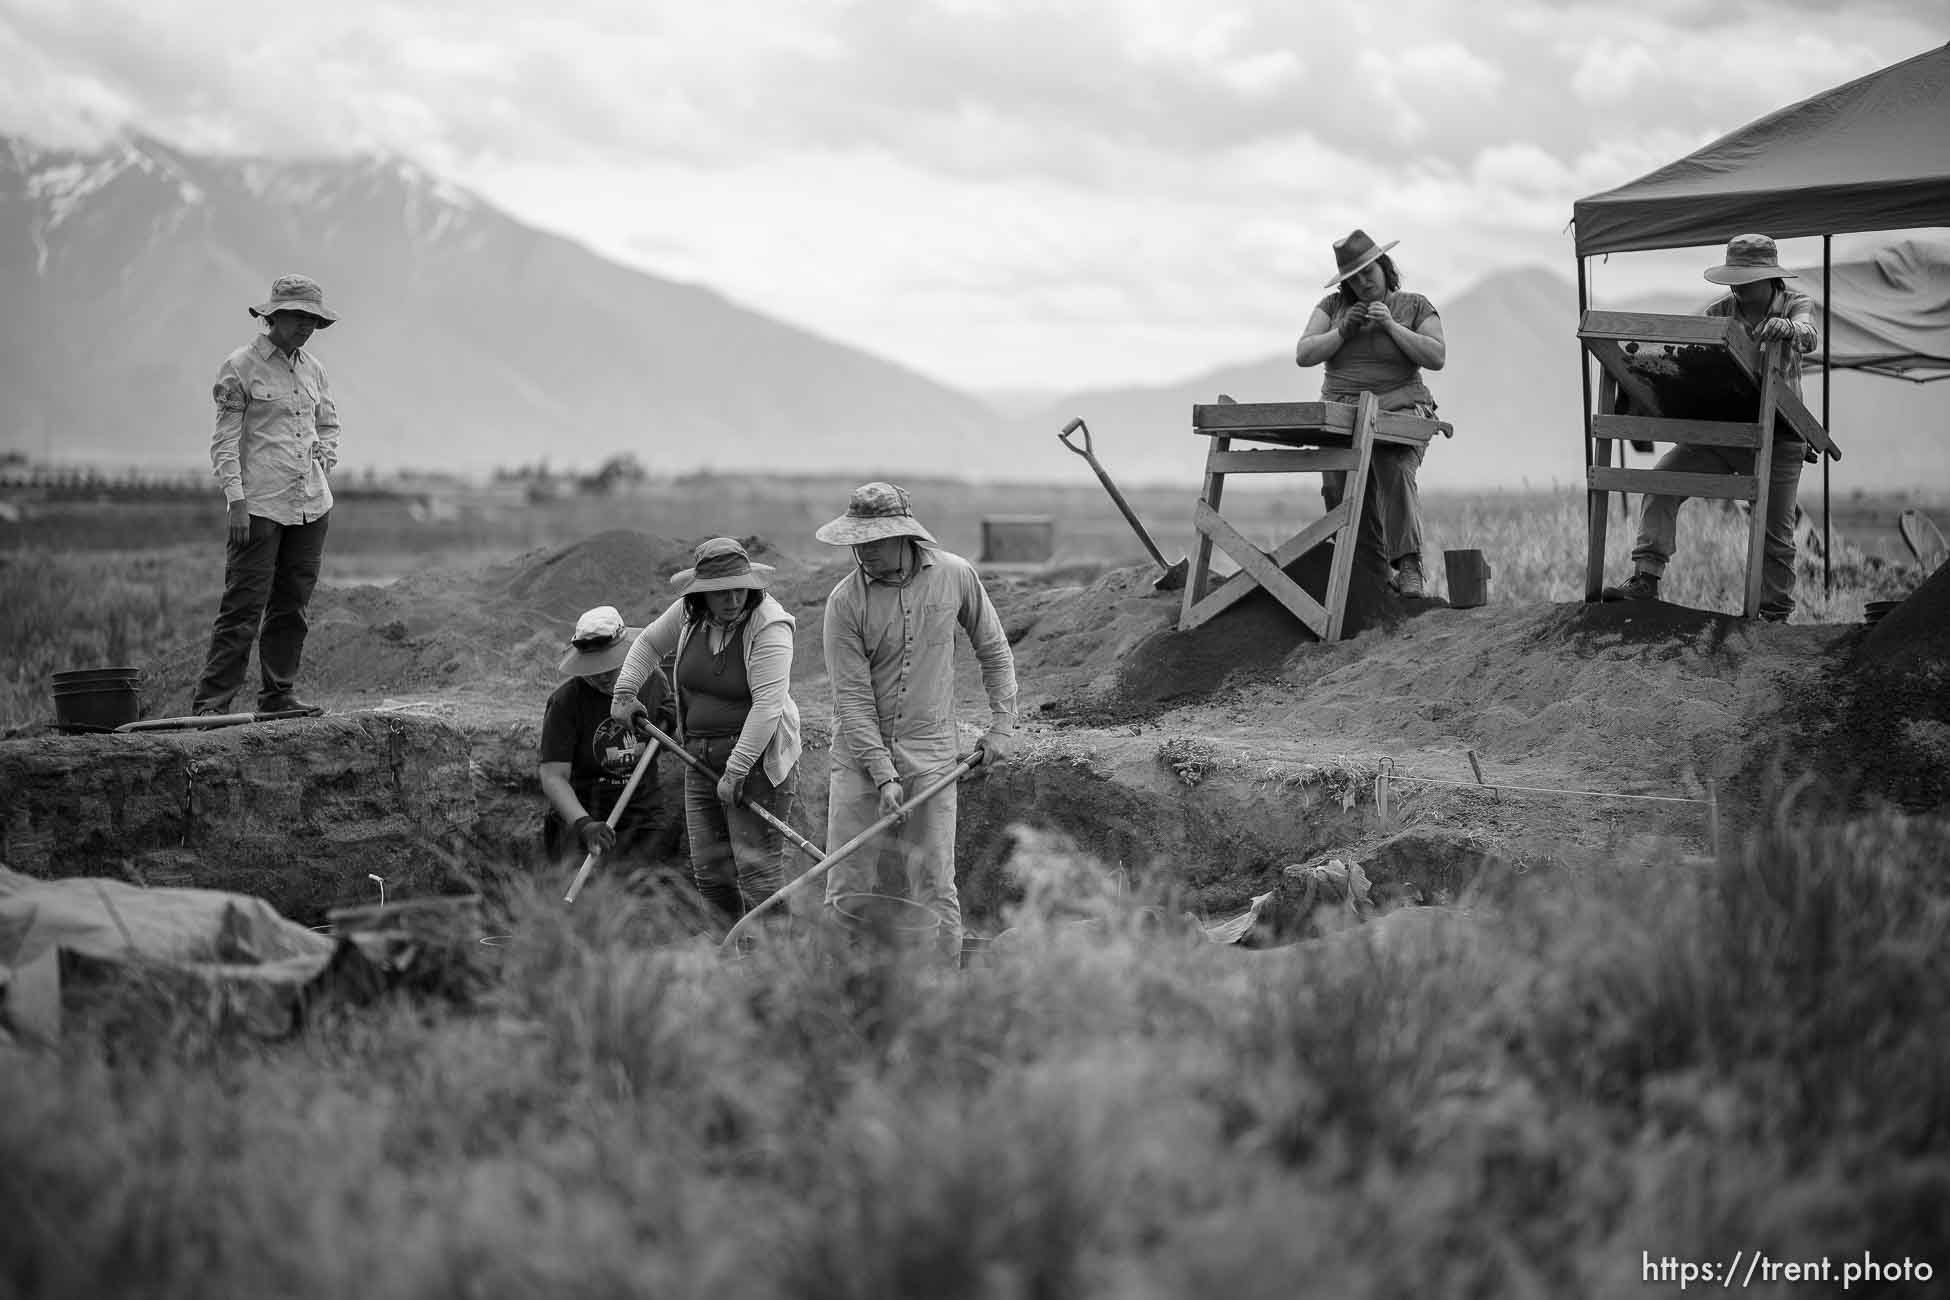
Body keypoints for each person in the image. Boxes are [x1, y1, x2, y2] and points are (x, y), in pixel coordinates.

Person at [816, 483, 1018, 963]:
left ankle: (939, 992)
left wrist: (1002, 725)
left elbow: (992, 648)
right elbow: (853, 697)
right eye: (857, 542)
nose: (864, 552)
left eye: (875, 541)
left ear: (906, 536)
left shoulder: (955, 576)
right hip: (860, 757)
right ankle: (835, 991)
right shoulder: (844, 603)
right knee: (846, 881)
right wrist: (883, 774)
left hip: (930, 755)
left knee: (933, 880)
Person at [1601, 233, 1820, 622]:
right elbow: (1693, 358)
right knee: (1662, 482)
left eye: (1745, 276)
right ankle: (1646, 579)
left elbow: (1809, 334)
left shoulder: (1795, 304)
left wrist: (1789, 329)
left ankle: (1774, 616)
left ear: (1769, 277)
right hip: (1722, 429)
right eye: (1733, 276)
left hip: (1780, 433)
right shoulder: (1719, 312)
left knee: (1775, 531)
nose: (1737, 285)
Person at [610, 538, 803, 925]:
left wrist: (736, 771)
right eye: (720, 592)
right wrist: (624, 692)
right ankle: (725, 958)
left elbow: (767, 705)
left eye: (739, 588)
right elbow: (647, 642)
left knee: (758, 876)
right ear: (702, 594)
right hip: (697, 756)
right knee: (711, 874)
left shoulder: (770, 624)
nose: (732, 599)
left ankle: (774, 965)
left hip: (756, 764)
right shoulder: (688, 614)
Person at [191, 275, 343, 716]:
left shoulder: (314, 369)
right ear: (272, 316)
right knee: (242, 607)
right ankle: (212, 705)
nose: (306, 326)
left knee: (291, 607)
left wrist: (324, 461)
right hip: (259, 505)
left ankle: (278, 695)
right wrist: (236, 501)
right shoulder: (240, 367)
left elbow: (328, 423)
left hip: (312, 504)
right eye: (298, 316)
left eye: (312, 318)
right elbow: (224, 441)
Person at [1294, 229, 1448, 598]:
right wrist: (1343, 332)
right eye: (1354, 279)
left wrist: (1391, 327)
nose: (1364, 283)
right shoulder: (1331, 308)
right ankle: (1367, 571)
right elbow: (1304, 353)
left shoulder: (1414, 305)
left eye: (1369, 273)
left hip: (1400, 406)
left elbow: (1436, 356)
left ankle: (1408, 564)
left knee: (1392, 463)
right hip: (1343, 410)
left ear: (1384, 266)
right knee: (1337, 481)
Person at [539, 606, 678, 876]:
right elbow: (553, 776)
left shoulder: (652, 682)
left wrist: (672, 721)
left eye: (609, 665)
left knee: (644, 903)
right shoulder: (565, 703)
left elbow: (675, 742)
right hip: (582, 819)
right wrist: (584, 825)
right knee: (586, 909)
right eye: (592, 668)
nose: (602, 675)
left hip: (643, 819)